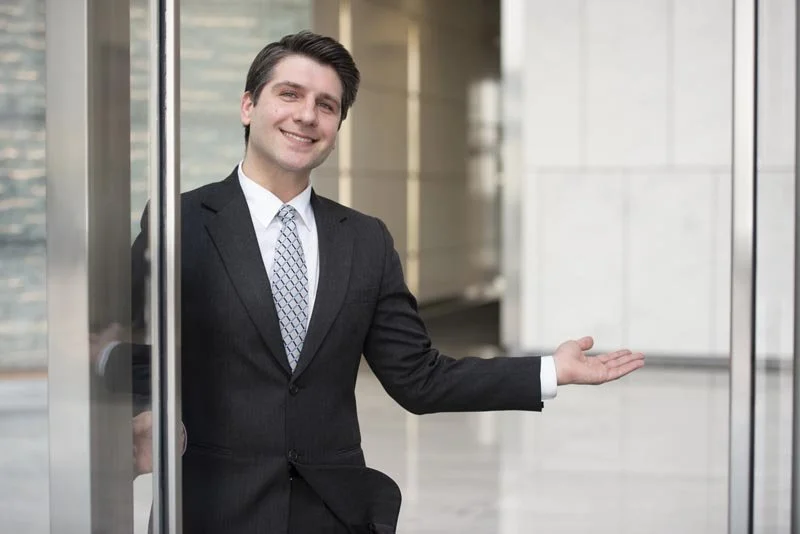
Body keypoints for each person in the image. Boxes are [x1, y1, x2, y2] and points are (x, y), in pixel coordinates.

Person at [98, 30, 644, 534]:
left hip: (333, 512)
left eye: (326, 105)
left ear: (337, 127)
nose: (307, 115)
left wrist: (551, 370)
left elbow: (418, 377)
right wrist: (141, 416)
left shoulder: (364, 240)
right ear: (248, 106)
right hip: (213, 509)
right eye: (290, 94)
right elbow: (116, 343)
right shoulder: (180, 222)